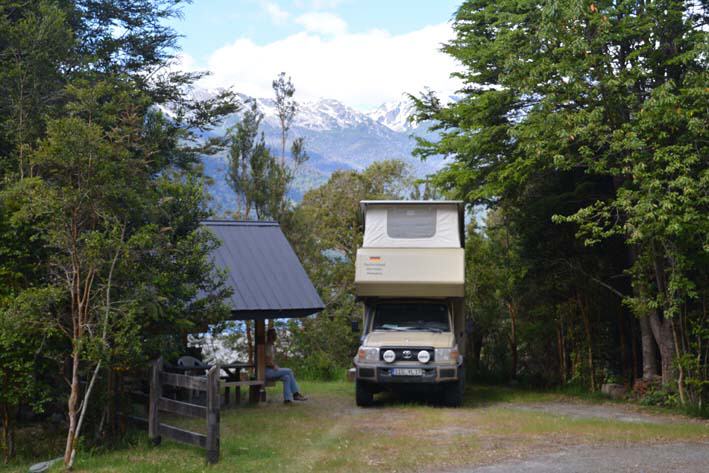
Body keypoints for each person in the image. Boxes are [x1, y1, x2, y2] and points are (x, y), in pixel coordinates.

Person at [265, 327, 308, 404]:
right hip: (267, 372)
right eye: (273, 334)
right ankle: (296, 394)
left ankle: (287, 400)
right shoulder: (267, 346)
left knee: (286, 377)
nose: (275, 336)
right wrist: (273, 366)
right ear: (270, 336)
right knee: (289, 370)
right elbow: (267, 362)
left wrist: (274, 365)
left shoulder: (271, 346)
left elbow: (270, 361)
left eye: (275, 334)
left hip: (271, 370)